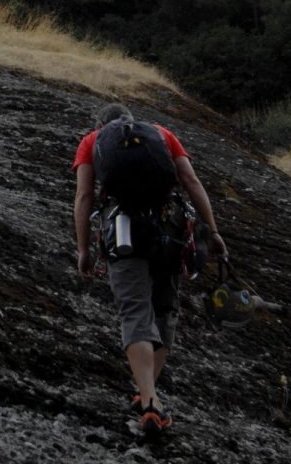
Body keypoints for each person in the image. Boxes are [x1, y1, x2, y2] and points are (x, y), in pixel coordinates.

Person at [73, 103, 228, 436]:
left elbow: (85, 195)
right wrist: (213, 233)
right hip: (169, 230)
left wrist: (84, 249)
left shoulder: (92, 141)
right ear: (132, 120)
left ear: (103, 124)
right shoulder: (162, 134)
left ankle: (149, 402)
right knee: (164, 309)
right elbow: (191, 181)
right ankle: (149, 391)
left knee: (134, 311)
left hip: (124, 232)